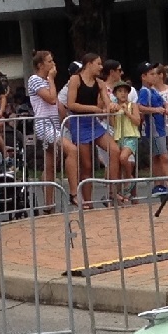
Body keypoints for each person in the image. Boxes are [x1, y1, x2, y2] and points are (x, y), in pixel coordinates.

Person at [64, 53, 120, 209]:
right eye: (98, 64)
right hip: (79, 123)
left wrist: (112, 107)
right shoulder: (75, 79)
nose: (101, 67)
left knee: (114, 150)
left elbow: (107, 103)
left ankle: (112, 191)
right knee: (87, 165)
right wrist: (94, 109)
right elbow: (71, 104)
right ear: (89, 64)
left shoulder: (100, 83)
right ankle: (88, 202)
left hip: (93, 123)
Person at [26, 50, 62, 212]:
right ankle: (74, 194)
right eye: (49, 61)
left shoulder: (46, 80)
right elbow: (51, 98)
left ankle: (49, 203)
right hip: (44, 125)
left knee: (50, 165)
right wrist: (52, 79)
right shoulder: (35, 80)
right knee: (70, 149)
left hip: (54, 123)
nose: (53, 64)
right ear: (40, 65)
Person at [137, 62, 168, 187]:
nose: (154, 76)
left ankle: (159, 184)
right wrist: (156, 110)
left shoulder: (153, 90)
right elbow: (140, 106)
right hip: (154, 129)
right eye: (151, 74)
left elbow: (163, 102)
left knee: (157, 157)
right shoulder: (144, 91)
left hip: (160, 128)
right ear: (143, 76)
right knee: (163, 157)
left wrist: (166, 107)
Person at [109, 81, 141, 203]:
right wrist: (112, 113)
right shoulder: (114, 106)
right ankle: (127, 193)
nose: (123, 94)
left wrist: (126, 112)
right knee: (120, 164)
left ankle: (129, 178)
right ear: (116, 94)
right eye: (120, 91)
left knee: (123, 158)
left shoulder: (133, 105)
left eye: (125, 91)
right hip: (118, 137)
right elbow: (113, 124)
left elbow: (137, 121)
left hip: (131, 136)